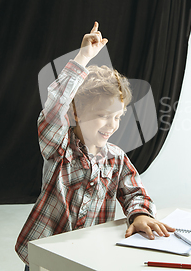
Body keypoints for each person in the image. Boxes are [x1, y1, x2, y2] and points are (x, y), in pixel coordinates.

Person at [15, 22, 175, 269]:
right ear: (76, 113)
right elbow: (55, 106)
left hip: (86, 253)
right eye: (103, 114)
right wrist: (83, 57)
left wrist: (140, 214)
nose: (112, 125)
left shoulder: (116, 157)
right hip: (47, 255)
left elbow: (134, 192)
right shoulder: (59, 146)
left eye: (118, 116)